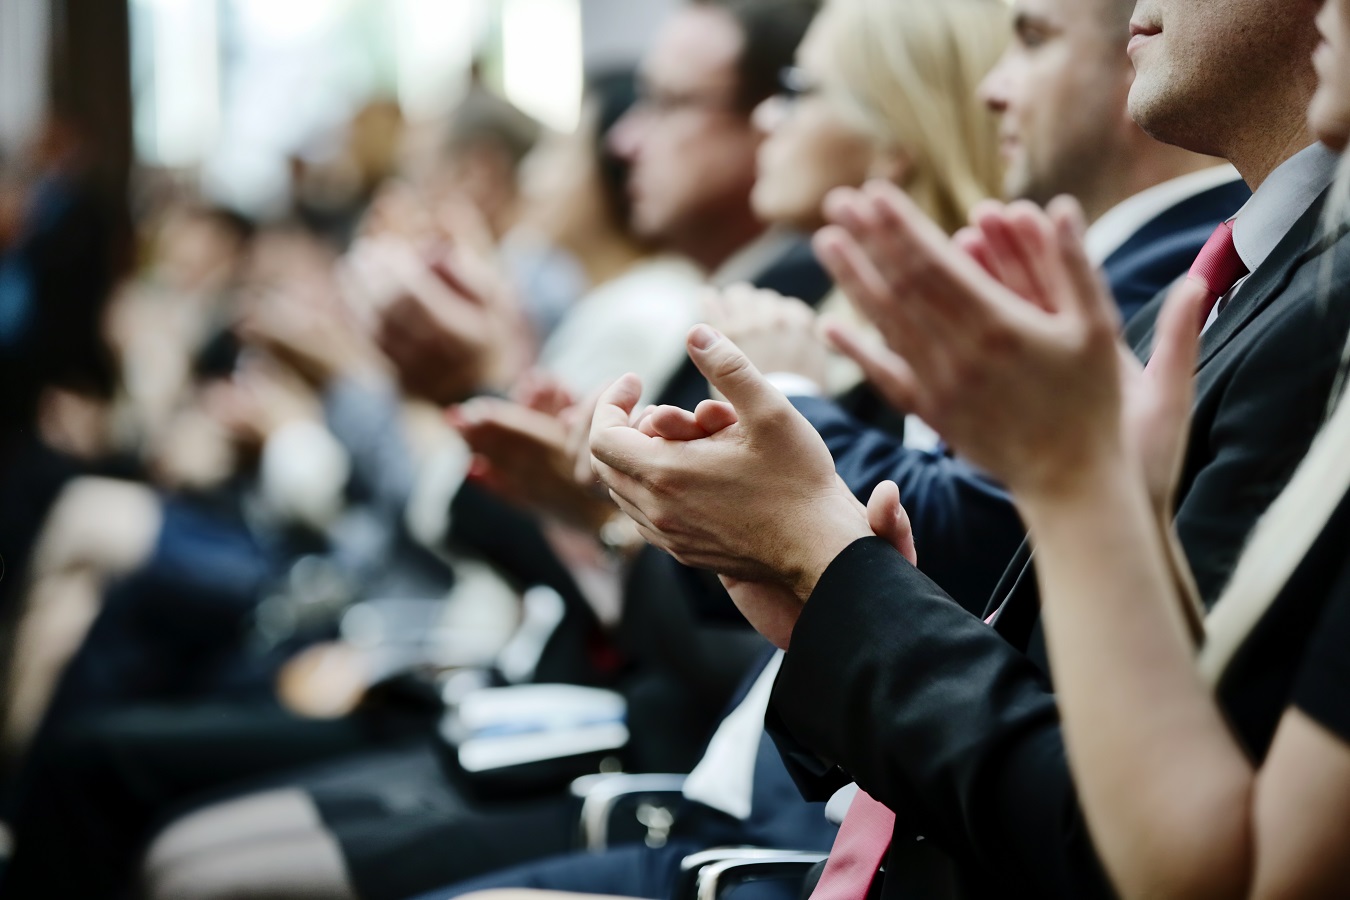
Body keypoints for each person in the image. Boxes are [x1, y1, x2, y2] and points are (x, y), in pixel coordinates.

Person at [585, 0, 1350, 894]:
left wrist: (839, 569)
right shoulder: (1226, 280)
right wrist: (835, 588)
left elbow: (1182, 860)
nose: (994, 87)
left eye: (1032, 40)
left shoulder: (1275, 298)